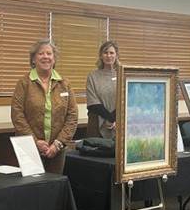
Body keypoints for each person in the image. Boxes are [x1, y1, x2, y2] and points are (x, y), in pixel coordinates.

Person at [11, 39, 78, 174]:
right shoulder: (24, 83)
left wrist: (57, 144)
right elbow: (17, 115)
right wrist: (35, 142)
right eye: (41, 53)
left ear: (54, 59)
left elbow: (72, 116)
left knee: (54, 188)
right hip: (29, 148)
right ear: (34, 59)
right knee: (32, 189)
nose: (45, 57)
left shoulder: (64, 84)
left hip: (57, 150)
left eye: (49, 53)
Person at [86, 41, 119, 139]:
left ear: (116, 55)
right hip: (96, 124)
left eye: (111, 53)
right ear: (101, 55)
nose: (108, 56)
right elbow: (92, 103)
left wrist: (114, 119)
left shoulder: (123, 74)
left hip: (119, 123)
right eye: (105, 53)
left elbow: (126, 100)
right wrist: (109, 118)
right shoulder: (93, 76)